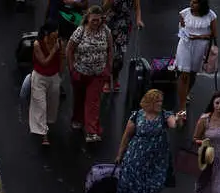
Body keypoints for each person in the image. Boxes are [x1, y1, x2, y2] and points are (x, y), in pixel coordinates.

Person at [114, 89, 187, 193]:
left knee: (154, 183)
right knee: (135, 182)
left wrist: (178, 119)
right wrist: (120, 154)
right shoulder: (137, 115)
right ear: (149, 102)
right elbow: (127, 136)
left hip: (156, 158)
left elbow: (173, 124)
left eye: (161, 101)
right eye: (157, 101)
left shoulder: (165, 115)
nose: (160, 104)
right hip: (136, 154)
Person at [66, 6, 113, 143]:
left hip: (98, 74)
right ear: (87, 18)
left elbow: (110, 49)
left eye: (99, 20)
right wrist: (71, 69)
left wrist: (108, 68)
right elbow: (69, 49)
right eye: (93, 20)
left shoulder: (106, 31)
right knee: (79, 98)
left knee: (93, 102)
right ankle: (77, 119)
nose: (96, 22)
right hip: (80, 72)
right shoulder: (80, 31)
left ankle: (91, 132)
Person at [175, 0, 217, 114]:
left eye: (195, 2)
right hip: (185, 44)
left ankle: (186, 92)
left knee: (193, 73)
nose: (191, 4)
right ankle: (182, 105)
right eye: (191, 1)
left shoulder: (211, 16)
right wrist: (185, 34)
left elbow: (214, 34)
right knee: (184, 73)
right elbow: (181, 28)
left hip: (200, 46)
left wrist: (198, 37)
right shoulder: (184, 13)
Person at [29, 24, 63, 145]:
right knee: (41, 106)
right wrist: (54, 51)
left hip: (53, 77)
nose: (56, 34)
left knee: (52, 104)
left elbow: (61, 59)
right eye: (54, 32)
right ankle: (43, 134)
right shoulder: (37, 44)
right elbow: (44, 62)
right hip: (40, 78)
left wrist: (60, 74)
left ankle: (46, 124)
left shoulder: (59, 42)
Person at [103, 0, 143, 93]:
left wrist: (138, 20)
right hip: (110, 22)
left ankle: (115, 77)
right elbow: (104, 8)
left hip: (124, 25)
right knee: (108, 53)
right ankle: (107, 80)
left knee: (119, 56)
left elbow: (137, 8)